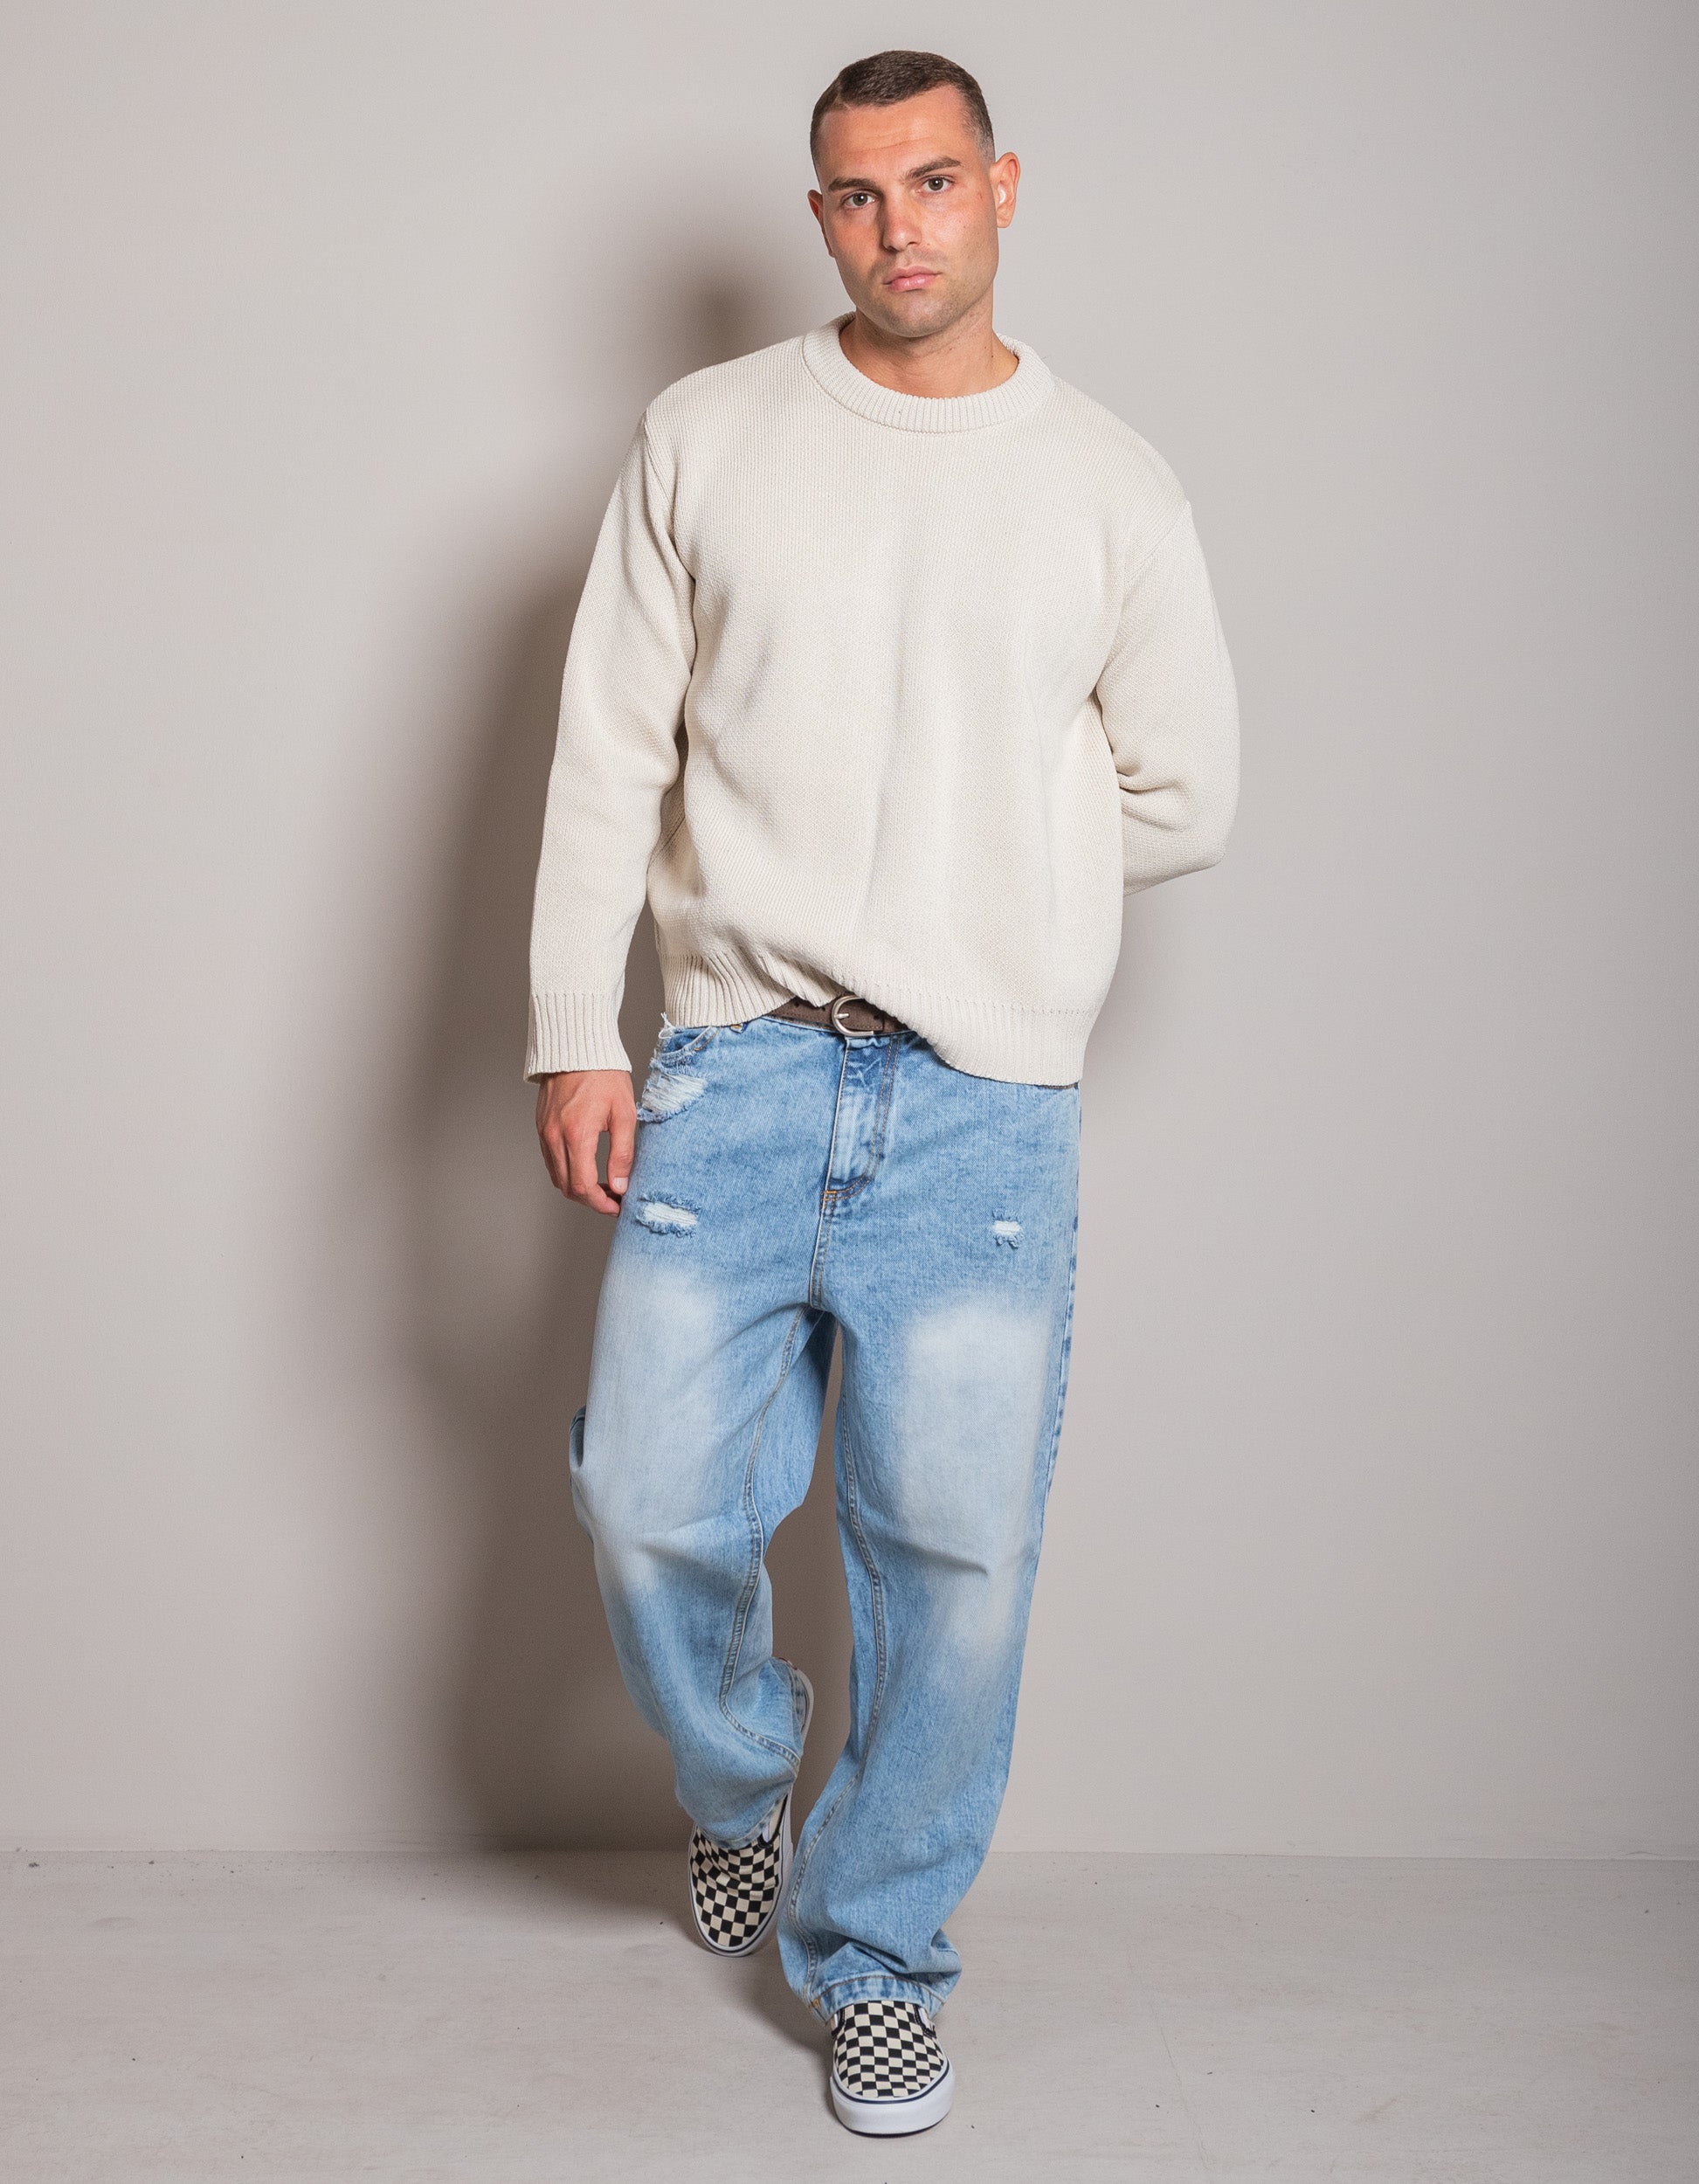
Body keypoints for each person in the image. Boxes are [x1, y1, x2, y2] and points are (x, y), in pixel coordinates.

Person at [526, 47, 1240, 2138]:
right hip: (733, 1066)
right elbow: (607, 750)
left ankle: (881, 1956)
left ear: (1001, 186)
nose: (897, 226)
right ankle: (743, 1775)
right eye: (855, 193)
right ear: (817, 214)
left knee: (957, 1562)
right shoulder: (706, 435)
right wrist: (575, 1024)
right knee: (647, 1497)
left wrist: (992, 888)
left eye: (932, 182)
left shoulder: (1108, 483)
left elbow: (1189, 790)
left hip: (976, 1103)